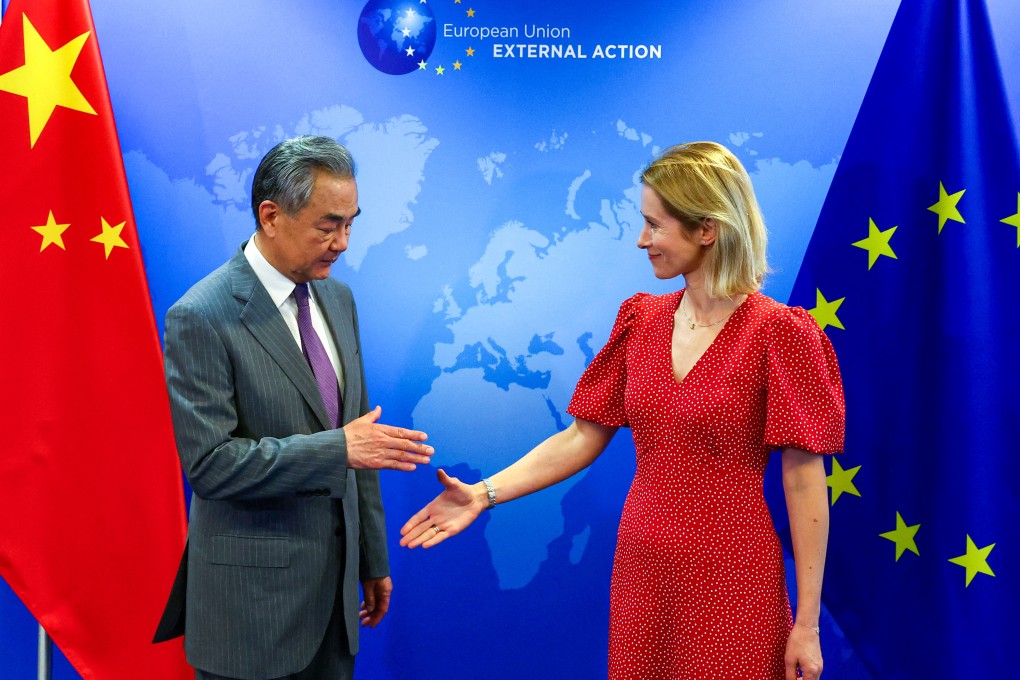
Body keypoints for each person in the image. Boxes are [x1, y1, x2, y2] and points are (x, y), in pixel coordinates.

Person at [400, 142, 844, 680]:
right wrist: (481, 494)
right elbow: (580, 437)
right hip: (642, 570)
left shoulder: (782, 333)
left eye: (655, 225)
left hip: (733, 574)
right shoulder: (640, 319)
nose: (642, 240)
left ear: (708, 229)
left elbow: (803, 479)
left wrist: (807, 621)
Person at [153, 135, 435, 680]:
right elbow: (211, 466)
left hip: (335, 610)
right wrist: (340, 448)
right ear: (271, 215)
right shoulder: (202, 314)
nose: (343, 242)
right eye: (328, 226)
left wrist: (372, 559)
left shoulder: (338, 299)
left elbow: (362, 440)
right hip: (250, 618)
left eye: (351, 223)